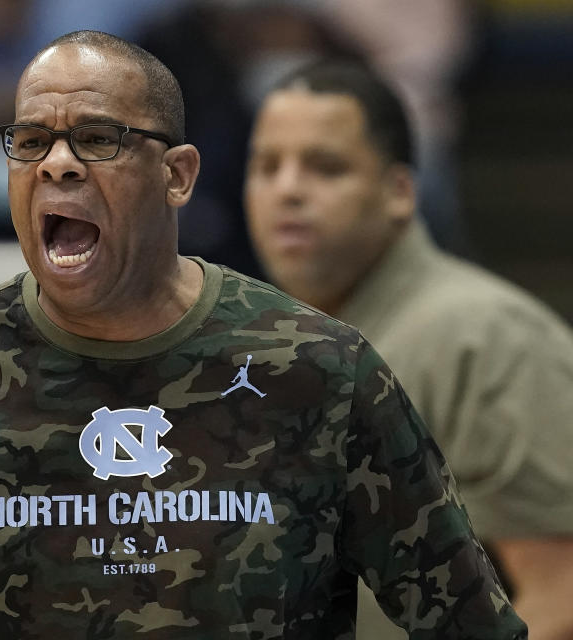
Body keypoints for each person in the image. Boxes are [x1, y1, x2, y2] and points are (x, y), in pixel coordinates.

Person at [0, 31, 526, 639]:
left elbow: (468, 623)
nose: (56, 164)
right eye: (31, 142)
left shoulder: (318, 369)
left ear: (176, 175)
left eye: (96, 139)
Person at [244, 59, 573, 640]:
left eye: (326, 167)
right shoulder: (262, 345)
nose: (287, 189)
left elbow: (562, 594)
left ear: (399, 191)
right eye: (267, 166)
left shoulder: (487, 338)